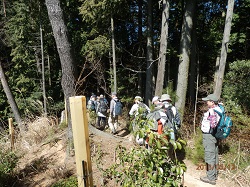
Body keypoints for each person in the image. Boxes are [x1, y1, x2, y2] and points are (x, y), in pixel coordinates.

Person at [200, 93, 222, 185]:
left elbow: (213, 124)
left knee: (209, 156)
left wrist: (210, 117)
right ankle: (214, 174)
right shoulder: (219, 109)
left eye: (207, 101)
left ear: (212, 102)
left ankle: (210, 177)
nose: (206, 102)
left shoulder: (212, 111)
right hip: (214, 136)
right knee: (215, 155)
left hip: (209, 136)